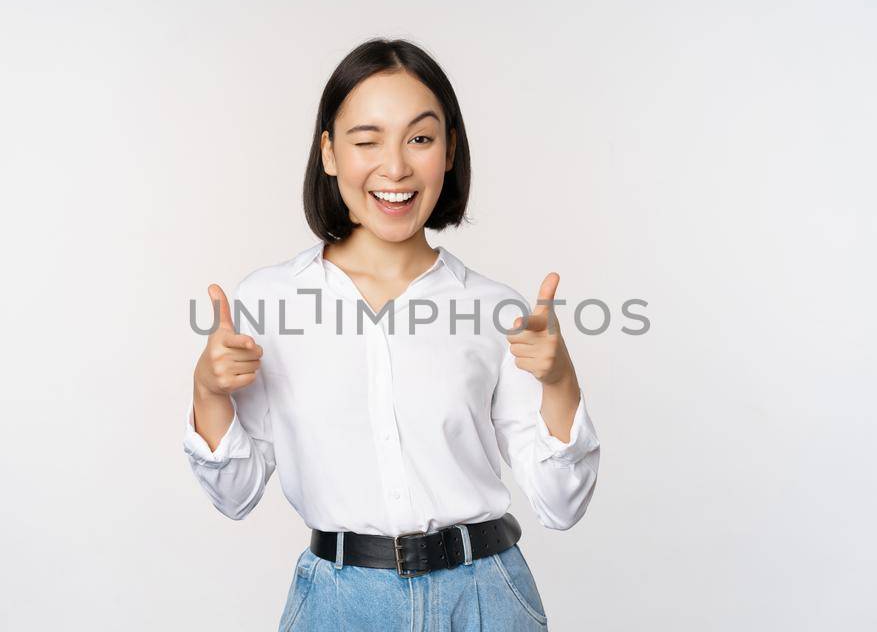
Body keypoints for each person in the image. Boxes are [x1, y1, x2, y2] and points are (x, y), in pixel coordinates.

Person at [182, 38, 601, 631]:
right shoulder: (266, 301)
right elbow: (235, 495)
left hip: (485, 599)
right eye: (367, 139)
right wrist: (207, 392)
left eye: (420, 138)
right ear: (329, 152)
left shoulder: (495, 308)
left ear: (449, 151)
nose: (396, 167)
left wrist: (560, 380)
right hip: (337, 606)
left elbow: (562, 505)